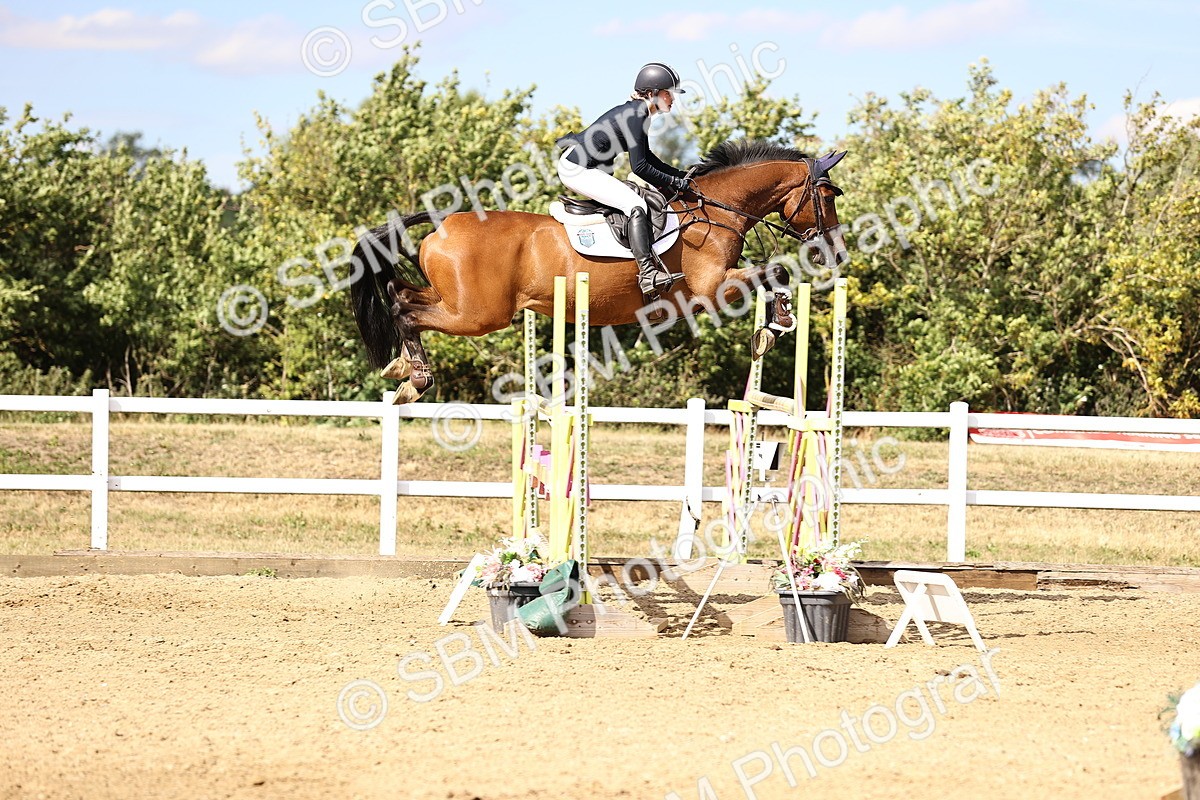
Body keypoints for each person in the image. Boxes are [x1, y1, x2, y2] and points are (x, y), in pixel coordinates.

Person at [556, 62, 692, 302]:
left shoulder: (639, 113)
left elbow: (648, 158)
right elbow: (639, 167)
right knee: (635, 205)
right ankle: (648, 273)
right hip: (577, 169)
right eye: (667, 93)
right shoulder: (637, 114)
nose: (672, 98)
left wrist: (680, 175)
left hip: (583, 166)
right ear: (651, 94)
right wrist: (674, 181)